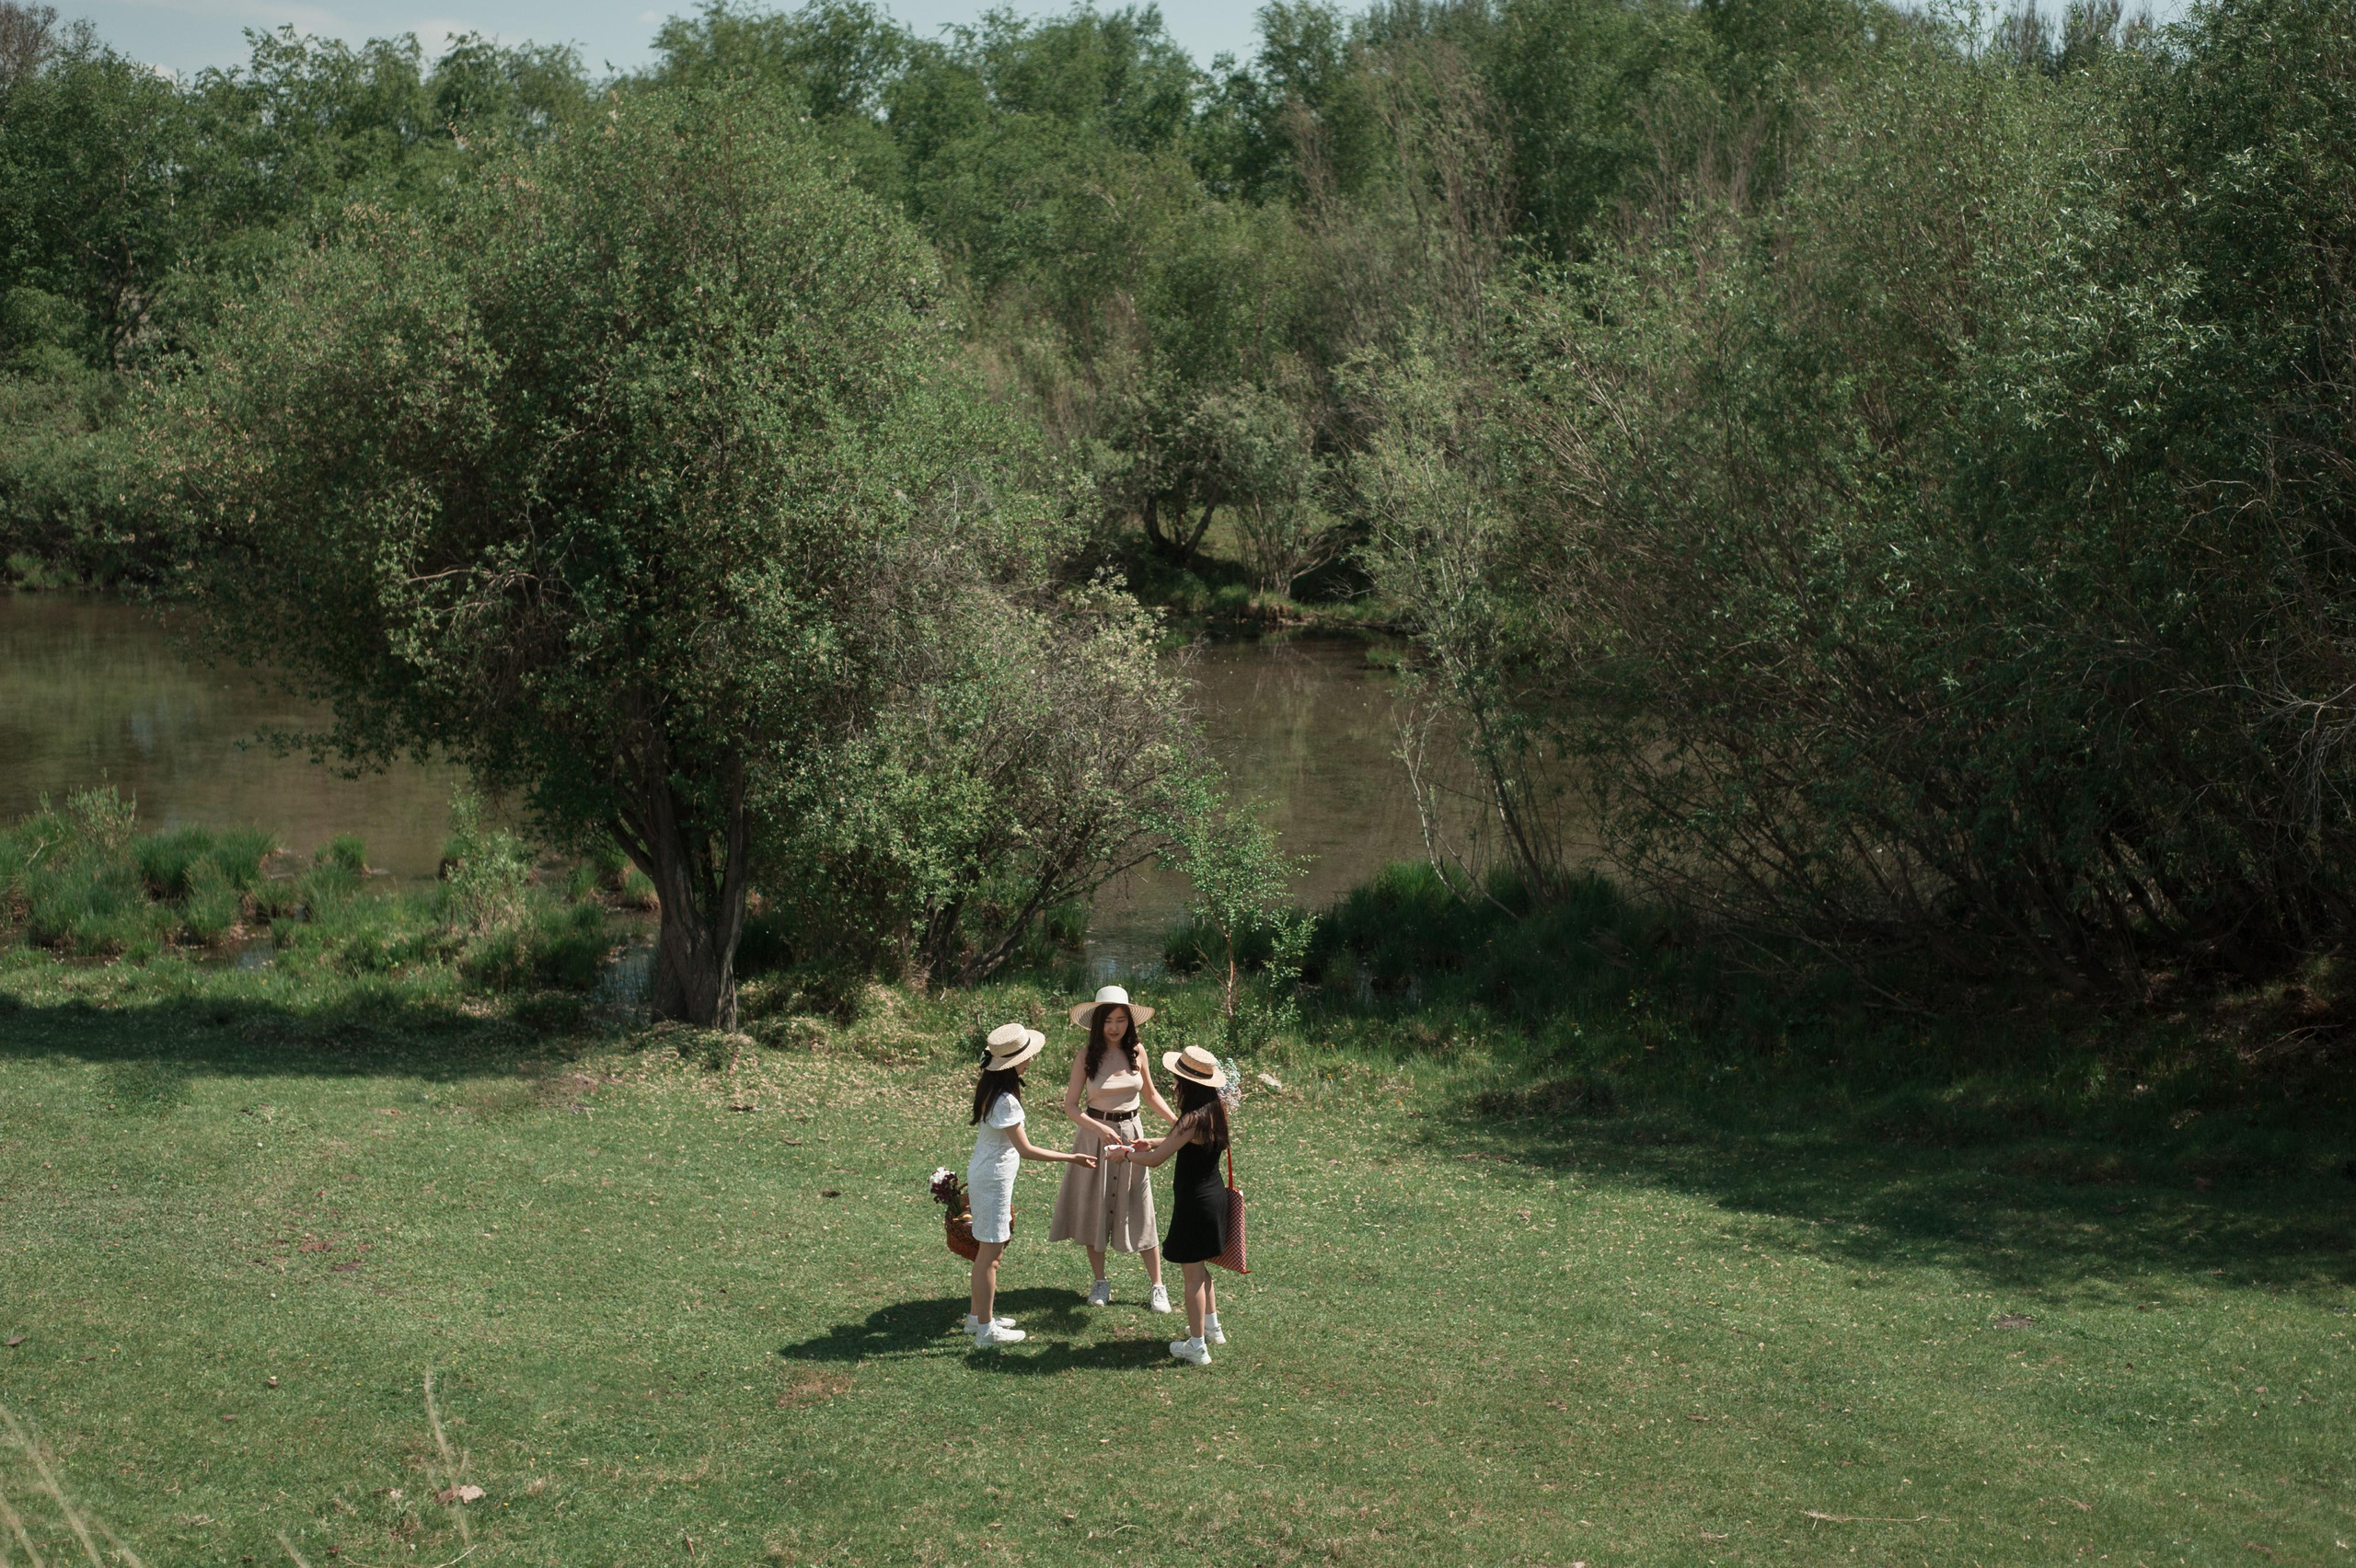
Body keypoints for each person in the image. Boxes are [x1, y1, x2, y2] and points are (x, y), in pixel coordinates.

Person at [964, 1022, 1096, 1349]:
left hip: (986, 1176)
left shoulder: (991, 1089)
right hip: (992, 1181)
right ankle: (985, 1330)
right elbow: (1026, 1149)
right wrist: (1072, 1157)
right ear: (1010, 1064)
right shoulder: (1005, 1100)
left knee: (988, 1252)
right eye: (1026, 1056)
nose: (1030, 1061)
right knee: (990, 1256)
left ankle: (977, 1317)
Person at [1048, 985, 1177, 1312]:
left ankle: (1157, 1286)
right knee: (1095, 1205)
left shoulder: (1138, 1051)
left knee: (1140, 1204)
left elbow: (1150, 1096)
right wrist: (1099, 1128)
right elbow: (1071, 1106)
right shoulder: (1085, 1056)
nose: (1115, 1027)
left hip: (1132, 1133)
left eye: (1121, 1020)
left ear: (1129, 1022)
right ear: (1098, 1023)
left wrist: (1179, 1123)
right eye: (1108, 1021)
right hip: (1095, 1137)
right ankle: (1100, 1282)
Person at [1114, 1044, 1233, 1366]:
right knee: (1202, 1268)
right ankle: (1212, 1327)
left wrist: (1125, 1154)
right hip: (1214, 1198)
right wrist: (1149, 1141)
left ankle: (1196, 1347)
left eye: (1178, 1079)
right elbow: (1177, 1143)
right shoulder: (1214, 1111)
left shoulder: (1192, 1118)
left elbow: (1155, 1160)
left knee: (1192, 1274)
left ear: (1189, 1084)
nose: (1175, 1084)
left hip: (1195, 1205)